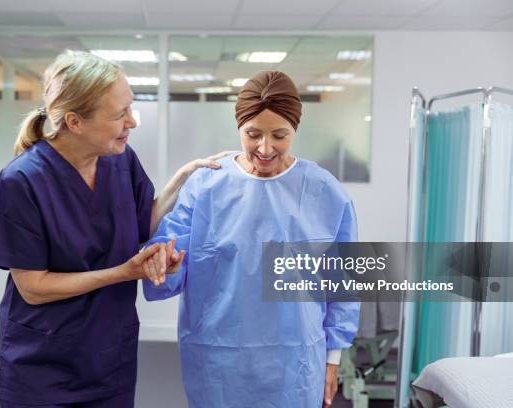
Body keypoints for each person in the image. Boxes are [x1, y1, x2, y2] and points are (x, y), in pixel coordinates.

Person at [0, 50, 225, 408]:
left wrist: (182, 180)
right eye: (119, 114)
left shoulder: (120, 159)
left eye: (131, 108)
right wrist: (125, 272)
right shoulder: (21, 182)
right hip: (43, 366)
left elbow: (141, 221)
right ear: (75, 121)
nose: (132, 122)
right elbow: (33, 288)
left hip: (110, 359)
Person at [143, 71, 360, 408]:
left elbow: (343, 281)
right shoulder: (206, 186)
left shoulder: (325, 191)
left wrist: (333, 357)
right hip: (218, 360)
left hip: (296, 362)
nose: (265, 147)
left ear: (295, 130)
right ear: (239, 128)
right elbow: (167, 263)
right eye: (253, 134)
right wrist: (165, 264)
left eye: (279, 135)